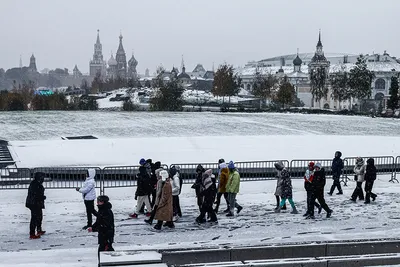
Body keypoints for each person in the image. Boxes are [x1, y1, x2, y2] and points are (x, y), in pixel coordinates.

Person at [88, 195, 115, 265]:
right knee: (104, 253)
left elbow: (104, 225)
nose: (97, 203)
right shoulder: (102, 210)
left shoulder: (106, 212)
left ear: (103, 202)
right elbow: (99, 221)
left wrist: (94, 228)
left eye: (99, 201)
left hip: (106, 236)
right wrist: (93, 228)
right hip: (104, 236)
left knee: (104, 253)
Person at [25, 172, 46, 239]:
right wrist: (42, 197)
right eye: (42, 177)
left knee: (39, 216)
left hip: (36, 203)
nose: (43, 179)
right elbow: (35, 195)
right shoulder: (35, 184)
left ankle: (39, 229)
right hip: (33, 203)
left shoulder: (37, 183)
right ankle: (32, 233)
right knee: (34, 218)